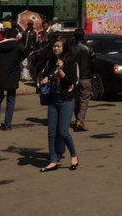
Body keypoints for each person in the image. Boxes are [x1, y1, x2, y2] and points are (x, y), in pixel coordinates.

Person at [39, 37, 79, 172]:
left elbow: (69, 81)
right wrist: (46, 77)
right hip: (53, 99)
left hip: (66, 99)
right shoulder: (51, 61)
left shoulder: (70, 61)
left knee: (63, 131)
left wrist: (60, 70)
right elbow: (46, 74)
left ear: (64, 48)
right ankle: (53, 160)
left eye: (58, 46)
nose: (55, 48)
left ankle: (74, 155)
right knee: (51, 132)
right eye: (54, 46)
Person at [0, 26, 29, 131]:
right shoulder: (19, 45)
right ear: (16, 35)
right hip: (12, 74)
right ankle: (7, 124)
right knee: (11, 99)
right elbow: (25, 53)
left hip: (0, 74)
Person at [69, 28, 93, 132]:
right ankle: (80, 120)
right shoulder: (88, 47)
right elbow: (93, 61)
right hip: (85, 76)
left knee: (76, 99)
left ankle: (77, 119)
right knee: (84, 99)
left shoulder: (70, 48)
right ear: (83, 36)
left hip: (74, 77)